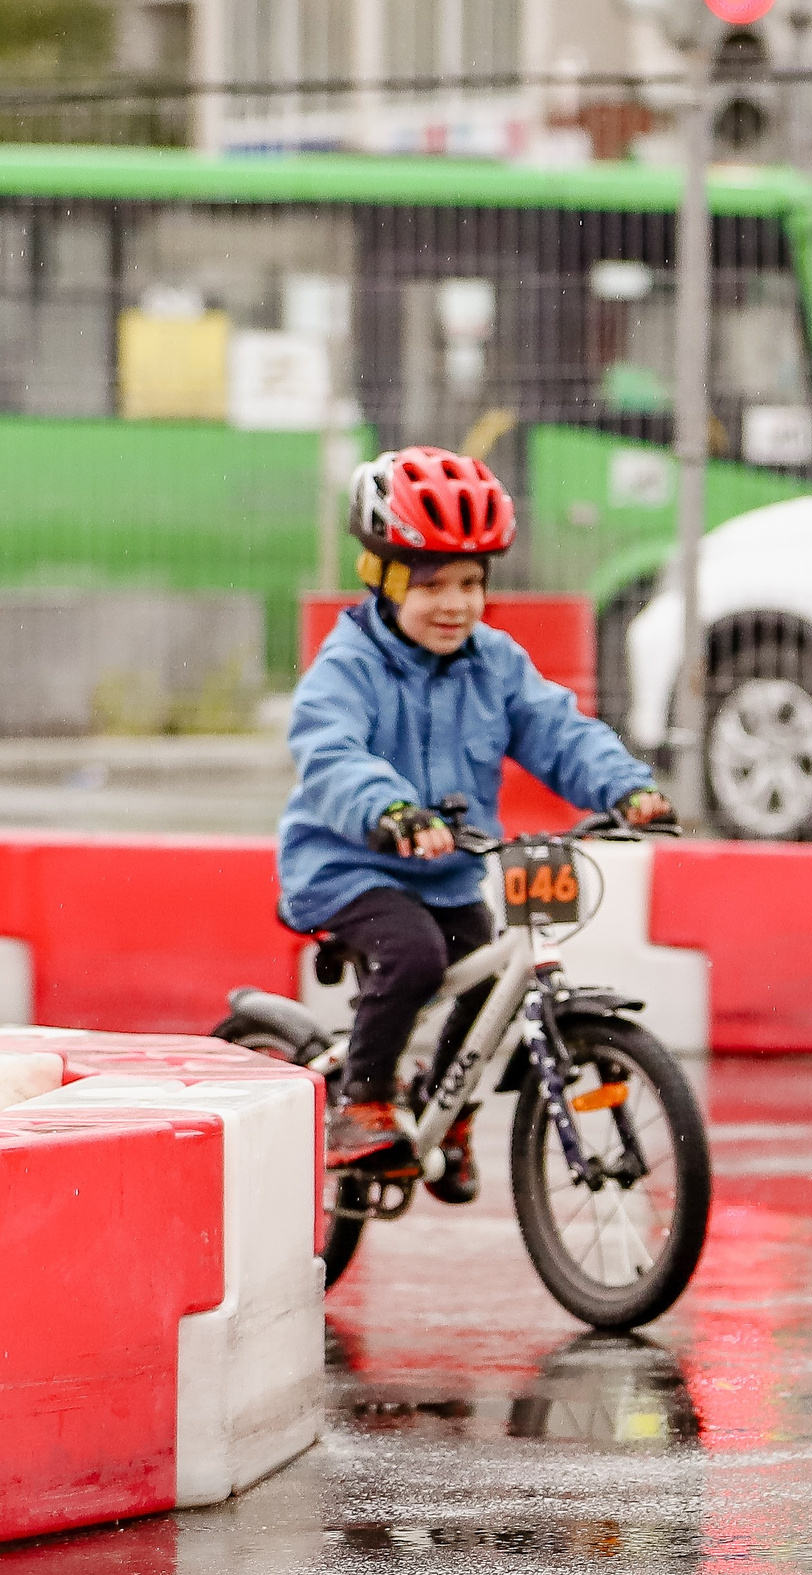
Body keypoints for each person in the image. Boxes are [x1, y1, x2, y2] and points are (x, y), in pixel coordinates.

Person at [279, 447, 674, 1197]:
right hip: (349, 866)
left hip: (448, 868)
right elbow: (330, 753)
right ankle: (361, 1105)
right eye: (432, 585)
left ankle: (444, 1110)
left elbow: (559, 730)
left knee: (485, 975)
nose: (456, 604)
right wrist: (391, 812)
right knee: (416, 955)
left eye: (470, 583)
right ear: (384, 579)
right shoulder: (349, 664)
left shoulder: (494, 661)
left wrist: (627, 787)